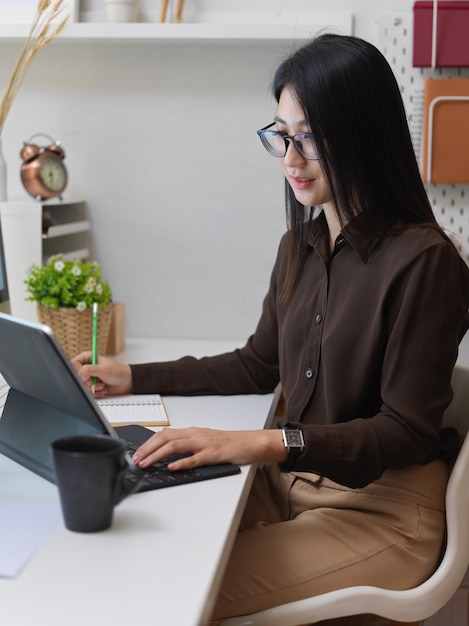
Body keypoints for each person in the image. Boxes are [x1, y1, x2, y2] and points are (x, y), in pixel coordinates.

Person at [73, 34, 469, 625]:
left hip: (381, 510)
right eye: (280, 135)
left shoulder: (425, 260)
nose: (290, 157)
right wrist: (129, 374)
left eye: (309, 136)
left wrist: (261, 444)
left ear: (363, 133)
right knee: (132, 549)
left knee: (172, 596)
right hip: (290, 481)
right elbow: (258, 364)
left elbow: (405, 432)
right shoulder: (301, 245)